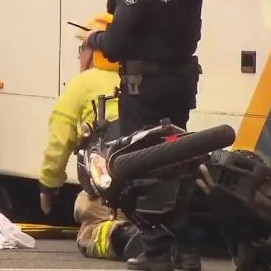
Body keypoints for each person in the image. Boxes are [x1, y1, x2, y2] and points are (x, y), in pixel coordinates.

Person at [81, 1, 204, 270]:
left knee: (142, 165)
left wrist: (94, 38)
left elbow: (115, 44)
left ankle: (158, 249)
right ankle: (185, 250)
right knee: (178, 164)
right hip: (180, 85)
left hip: (145, 89)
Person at [37, 12, 143, 261]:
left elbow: (58, 142)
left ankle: (124, 237)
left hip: (107, 194)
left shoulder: (81, 85)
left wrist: (48, 187)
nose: (80, 56)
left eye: (81, 48)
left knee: (89, 231)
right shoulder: (141, 81)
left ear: (94, 51)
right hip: (150, 191)